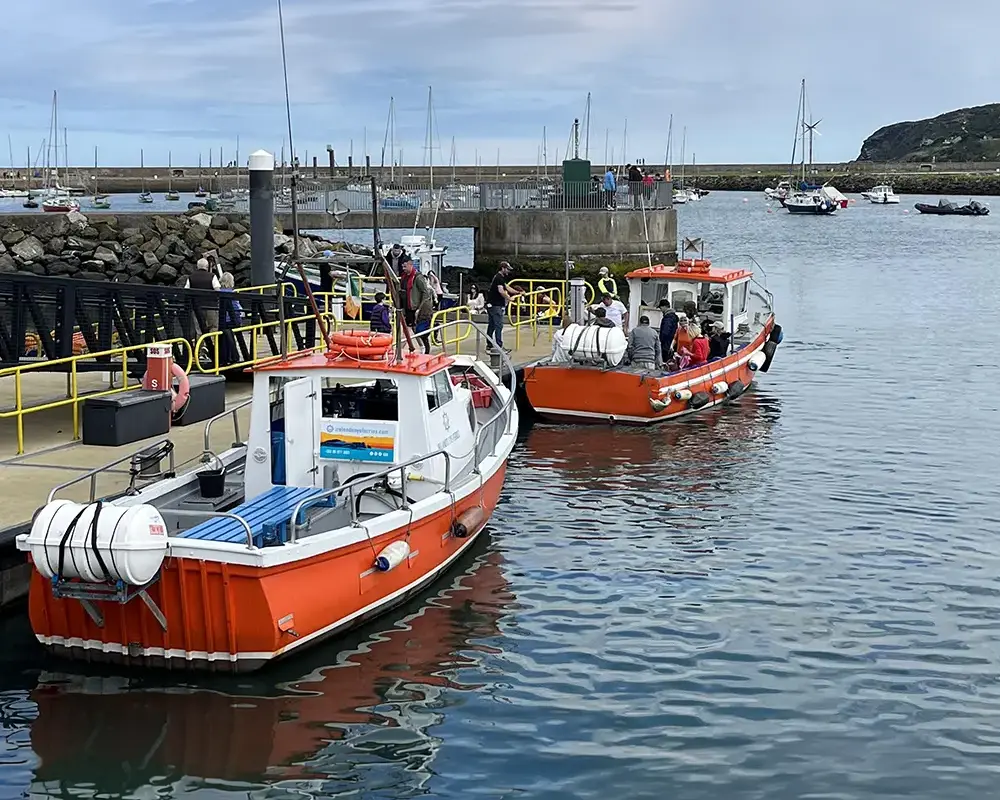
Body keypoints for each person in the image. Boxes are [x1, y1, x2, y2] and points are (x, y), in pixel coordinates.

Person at [399, 256, 434, 354]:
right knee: (408, 329)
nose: (404, 269)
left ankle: (424, 348)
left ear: (411, 265)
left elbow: (425, 293)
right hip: (408, 307)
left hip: (418, 308)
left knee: (418, 331)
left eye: (405, 266)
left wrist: (420, 308)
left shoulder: (418, 278)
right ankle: (402, 349)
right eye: (403, 267)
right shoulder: (404, 277)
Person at [486, 261, 519, 350]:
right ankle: (499, 346)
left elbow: (507, 287)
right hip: (495, 305)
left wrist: (518, 292)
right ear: (503, 268)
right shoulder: (499, 278)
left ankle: (489, 344)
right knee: (498, 325)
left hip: (491, 305)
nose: (508, 271)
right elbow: (501, 291)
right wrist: (509, 298)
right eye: (507, 269)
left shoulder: (500, 278)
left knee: (492, 325)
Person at [185, 257, 221, 334]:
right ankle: (213, 344)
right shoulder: (212, 276)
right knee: (213, 327)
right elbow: (217, 290)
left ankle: (200, 345)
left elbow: (186, 291)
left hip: (196, 307)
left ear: (197, 266)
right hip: (211, 306)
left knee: (199, 329)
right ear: (207, 266)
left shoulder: (191, 277)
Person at [219, 272, 243, 365]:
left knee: (224, 339)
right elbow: (236, 307)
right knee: (231, 338)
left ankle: (224, 357)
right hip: (231, 318)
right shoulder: (233, 293)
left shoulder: (218, 292)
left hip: (222, 319)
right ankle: (234, 357)